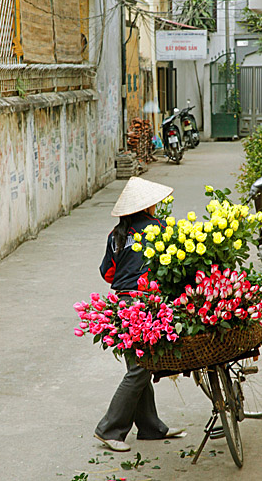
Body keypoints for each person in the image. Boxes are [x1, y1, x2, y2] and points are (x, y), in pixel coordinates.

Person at [94, 177, 185, 452]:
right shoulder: (157, 229)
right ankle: (109, 429)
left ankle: (150, 427)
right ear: (148, 206)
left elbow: (107, 273)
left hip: (121, 305)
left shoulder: (116, 235)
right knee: (140, 369)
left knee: (140, 364)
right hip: (144, 305)